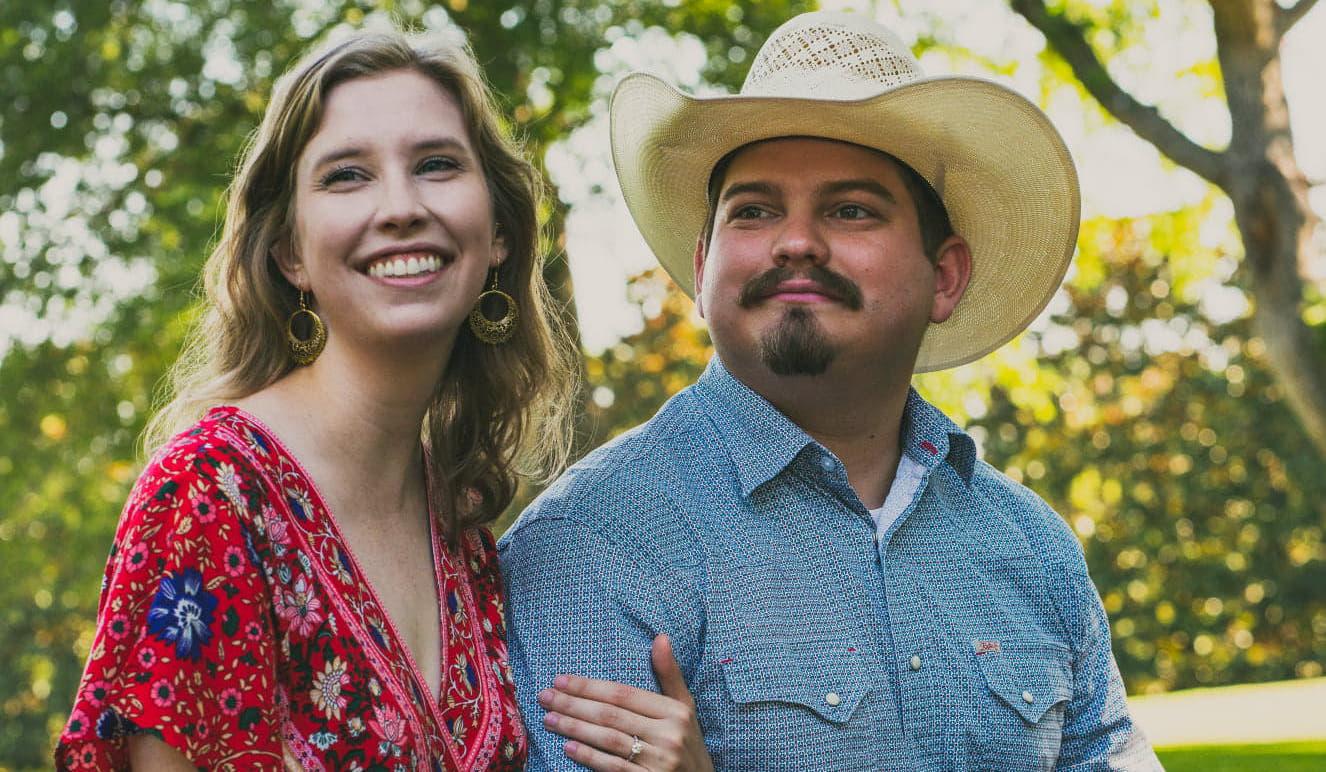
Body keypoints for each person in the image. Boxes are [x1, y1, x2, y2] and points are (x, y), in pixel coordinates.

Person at [500, 11, 1162, 771]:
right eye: (754, 211)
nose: (796, 242)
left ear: (944, 276)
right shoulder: (591, 544)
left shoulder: (1033, 548)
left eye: (851, 210)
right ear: (705, 264)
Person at [56, 26, 705, 771]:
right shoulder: (207, 496)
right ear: (289, 252)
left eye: (436, 165)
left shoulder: (459, 527)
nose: (400, 206)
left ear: (498, 232)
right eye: (346, 176)